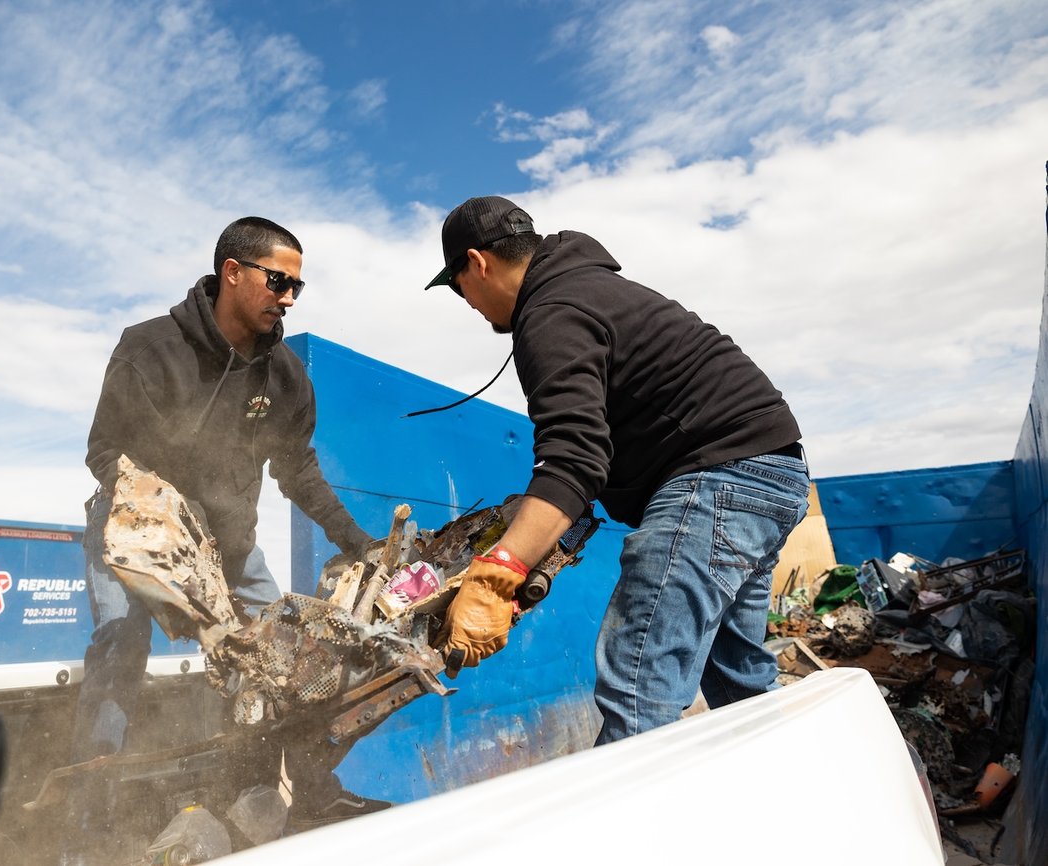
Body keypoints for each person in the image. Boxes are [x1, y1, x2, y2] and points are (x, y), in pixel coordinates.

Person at [424, 196, 810, 744]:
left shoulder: (551, 314)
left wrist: (496, 574)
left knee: (638, 686)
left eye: (458, 285)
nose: (466, 301)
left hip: (720, 477)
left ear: (476, 263)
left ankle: (618, 830)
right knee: (738, 685)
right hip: (769, 474)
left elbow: (574, 458)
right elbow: (587, 460)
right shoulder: (586, 290)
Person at [70, 216, 389, 842]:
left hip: (232, 547)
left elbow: (299, 472)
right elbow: (103, 452)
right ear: (233, 274)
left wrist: (358, 542)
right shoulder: (149, 347)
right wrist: (160, 522)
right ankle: (85, 830)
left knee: (292, 657)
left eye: (298, 285)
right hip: (135, 536)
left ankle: (294, 798)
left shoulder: (287, 376)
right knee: (117, 647)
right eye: (278, 281)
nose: (289, 297)